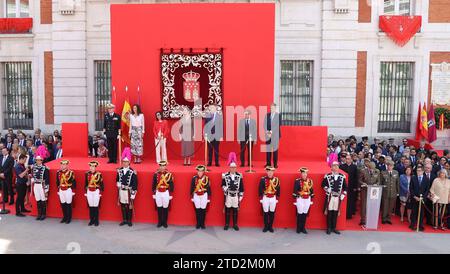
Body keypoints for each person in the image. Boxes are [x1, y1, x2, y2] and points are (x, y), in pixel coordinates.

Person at [322, 162, 347, 235]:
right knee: (329, 212)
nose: (335, 167)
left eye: (337, 166)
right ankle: (329, 228)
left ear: (339, 167)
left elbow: (345, 187)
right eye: (334, 166)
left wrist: (343, 194)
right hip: (330, 197)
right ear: (331, 167)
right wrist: (327, 189)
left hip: (338, 197)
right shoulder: (327, 176)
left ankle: (334, 228)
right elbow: (323, 184)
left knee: (335, 213)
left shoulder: (342, 176)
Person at [222, 162, 244, 231]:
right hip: (228, 195)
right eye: (231, 167)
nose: (233, 169)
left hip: (235, 196)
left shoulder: (239, 175)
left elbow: (241, 187)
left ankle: (235, 224)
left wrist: (240, 197)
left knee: (235, 210)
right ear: (229, 168)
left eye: (234, 167)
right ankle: (227, 224)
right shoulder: (225, 175)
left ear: (236, 168)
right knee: (227, 210)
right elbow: (222, 185)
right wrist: (226, 189)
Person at [116, 156, 138, 226]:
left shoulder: (132, 172)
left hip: (129, 191)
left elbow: (135, 183)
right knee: (123, 205)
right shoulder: (119, 171)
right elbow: (117, 179)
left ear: (129, 162)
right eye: (124, 162)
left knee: (129, 205)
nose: (125, 163)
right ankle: (124, 219)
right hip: (121, 190)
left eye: (126, 162)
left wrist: (133, 192)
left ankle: (129, 220)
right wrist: (118, 184)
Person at [358, 161, 381, 226]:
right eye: (370, 168)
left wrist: (376, 184)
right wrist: (363, 183)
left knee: (373, 205)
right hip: (365, 190)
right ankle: (363, 220)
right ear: (368, 167)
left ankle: (371, 219)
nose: (372, 170)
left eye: (373, 169)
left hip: (373, 191)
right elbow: (359, 180)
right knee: (364, 205)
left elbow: (378, 181)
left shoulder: (377, 171)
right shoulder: (363, 171)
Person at [258, 166, 280, 233]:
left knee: (272, 212)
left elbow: (278, 189)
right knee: (265, 212)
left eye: (271, 171)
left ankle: (270, 226)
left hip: (273, 198)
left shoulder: (276, 180)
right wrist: (261, 197)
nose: (270, 173)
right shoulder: (263, 179)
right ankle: (266, 226)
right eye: (269, 171)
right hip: (265, 198)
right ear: (267, 172)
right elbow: (260, 189)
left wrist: (277, 197)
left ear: (273, 172)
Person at [152, 160, 173, 228]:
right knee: (159, 208)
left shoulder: (169, 174)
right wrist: (153, 191)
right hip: (158, 192)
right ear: (159, 166)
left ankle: (165, 222)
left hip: (165, 192)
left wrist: (170, 192)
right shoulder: (156, 174)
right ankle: (160, 222)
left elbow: (171, 184)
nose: (162, 167)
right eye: (161, 166)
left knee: (165, 208)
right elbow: (154, 183)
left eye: (163, 166)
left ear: (165, 166)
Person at [293, 167, 314, 234]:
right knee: (300, 213)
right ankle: (298, 228)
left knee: (305, 214)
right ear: (301, 174)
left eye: (305, 173)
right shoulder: (297, 181)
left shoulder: (310, 181)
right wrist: (298, 195)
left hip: (307, 199)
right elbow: (295, 190)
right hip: (300, 199)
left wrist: (311, 196)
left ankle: (303, 228)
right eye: (303, 173)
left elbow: (311, 190)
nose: (304, 174)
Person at [409, 166, 430, 231]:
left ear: (423, 171)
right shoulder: (413, 178)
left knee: (421, 212)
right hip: (415, 198)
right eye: (417, 170)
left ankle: (420, 225)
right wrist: (415, 196)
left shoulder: (426, 179)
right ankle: (412, 224)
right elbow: (411, 188)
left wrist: (423, 197)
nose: (418, 172)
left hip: (422, 199)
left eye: (420, 170)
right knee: (414, 212)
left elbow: (427, 189)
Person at [190, 165, 210, 229]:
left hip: (204, 195)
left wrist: (209, 195)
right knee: (197, 209)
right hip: (196, 195)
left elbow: (208, 187)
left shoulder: (206, 178)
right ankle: (198, 223)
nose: (200, 172)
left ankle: (202, 223)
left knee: (203, 209)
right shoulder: (194, 178)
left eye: (201, 171)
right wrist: (192, 195)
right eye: (199, 171)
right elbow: (192, 187)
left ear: (203, 172)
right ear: (197, 171)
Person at [56, 160, 76, 224]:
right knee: (63, 204)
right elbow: (57, 181)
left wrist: (70, 187)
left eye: (64, 165)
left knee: (68, 204)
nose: (62, 166)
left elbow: (74, 182)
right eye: (61, 165)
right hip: (61, 189)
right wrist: (58, 187)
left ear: (67, 165)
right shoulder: (58, 172)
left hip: (67, 189)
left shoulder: (71, 172)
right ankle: (64, 217)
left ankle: (69, 218)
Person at [85, 161, 104, 226]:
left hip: (96, 191)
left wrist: (100, 190)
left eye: (93, 166)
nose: (91, 168)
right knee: (91, 206)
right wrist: (86, 190)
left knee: (96, 206)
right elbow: (86, 183)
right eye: (90, 166)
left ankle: (96, 220)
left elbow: (101, 183)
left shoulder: (99, 174)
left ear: (95, 167)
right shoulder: (87, 174)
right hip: (89, 191)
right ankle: (91, 220)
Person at [31, 155, 49, 221]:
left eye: (39, 160)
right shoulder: (34, 167)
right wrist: (32, 179)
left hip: (42, 186)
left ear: (42, 160)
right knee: (38, 200)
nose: (38, 161)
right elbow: (32, 175)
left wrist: (46, 190)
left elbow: (47, 179)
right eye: (37, 160)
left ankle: (43, 214)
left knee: (43, 200)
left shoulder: (45, 168)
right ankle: (39, 214)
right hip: (36, 185)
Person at [339, 155, 358, 219]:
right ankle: (342, 214)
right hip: (343, 186)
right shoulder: (341, 166)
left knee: (350, 201)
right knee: (343, 200)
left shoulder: (354, 167)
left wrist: (355, 187)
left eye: (349, 159)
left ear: (351, 159)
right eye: (346, 159)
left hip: (351, 186)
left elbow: (356, 177)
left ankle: (349, 214)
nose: (347, 160)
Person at [264, 103, 281, 168]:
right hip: (268, 135)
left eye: (273, 108)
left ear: (275, 108)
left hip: (275, 135)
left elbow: (278, 125)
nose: (272, 109)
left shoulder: (278, 115)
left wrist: (271, 132)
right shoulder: (267, 115)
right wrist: (267, 131)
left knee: (275, 150)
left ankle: (275, 164)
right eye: (271, 108)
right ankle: (268, 163)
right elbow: (264, 124)